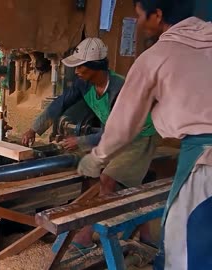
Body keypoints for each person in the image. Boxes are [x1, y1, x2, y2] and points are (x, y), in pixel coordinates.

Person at [77, 1, 212, 269]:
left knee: (182, 247)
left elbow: (124, 122)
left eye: (139, 15)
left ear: (157, 15)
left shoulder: (155, 57)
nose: (137, 22)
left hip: (203, 159)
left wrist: (97, 156)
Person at [22, 37, 158, 252]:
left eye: (80, 66)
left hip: (139, 135)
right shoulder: (83, 84)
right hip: (114, 134)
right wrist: (34, 128)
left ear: (96, 67)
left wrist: (81, 140)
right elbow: (60, 104)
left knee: (108, 178)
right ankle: (147, 235)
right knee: (130, 185)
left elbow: (117, 131)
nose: (76, 71)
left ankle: (86, 236)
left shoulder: (120, 89)